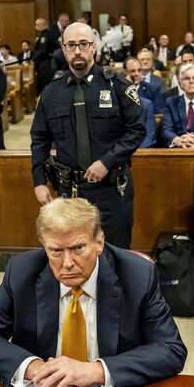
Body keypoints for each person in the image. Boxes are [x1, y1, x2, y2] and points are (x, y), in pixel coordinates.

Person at [0, 197, 186, 387]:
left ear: (99, 242)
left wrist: (94, 370)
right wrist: (37, 369)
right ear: (44, 245)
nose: (68, 262)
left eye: (78, 247)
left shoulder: (137, 276)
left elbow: (171, 349)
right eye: (56, 251)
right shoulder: (22, 272)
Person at [31, 23, 145, 249]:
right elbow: (39, 139)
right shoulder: (52, 92)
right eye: (71, 45)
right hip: (70, 191)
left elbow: (137, 130)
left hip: (111, 188)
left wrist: (106, 161)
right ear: (63, 49)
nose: (77, 51)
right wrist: (39, 181)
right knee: (74, 252)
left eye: (83, 44)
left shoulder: (117, 85)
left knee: (116, 252)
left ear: (94, 47)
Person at [124, 57, 157, 148]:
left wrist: (136, 152)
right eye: (132, 71)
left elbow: (150, 135)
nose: (137, 74)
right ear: (125, 73)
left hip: (142, 151)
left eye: (139, 70)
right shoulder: (116, 100)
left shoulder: (147, 104)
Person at [32, 18, 54, 94]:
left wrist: (33, 59)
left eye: (37, 25)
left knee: (45, 81)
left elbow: (43, 50)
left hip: (45, 62)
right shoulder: (41, 35)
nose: (36, 27)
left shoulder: (45, 35)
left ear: (43, 25)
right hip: (41, 62)